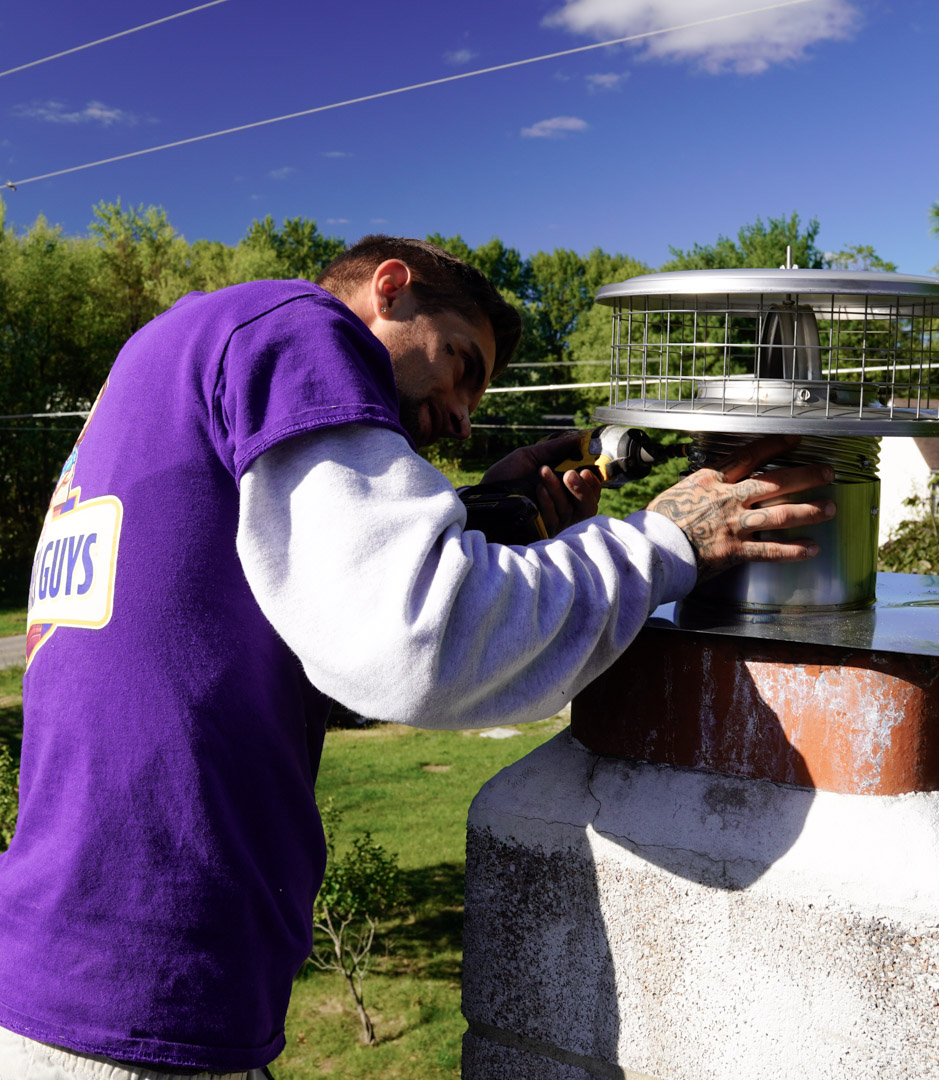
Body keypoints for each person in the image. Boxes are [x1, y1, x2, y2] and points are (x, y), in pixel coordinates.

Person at [0, 236, 834, 1079]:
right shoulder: (297, 327)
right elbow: (423, 642)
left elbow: (298, 622)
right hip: (138, 995)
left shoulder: (171, 358)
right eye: (463, 364)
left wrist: (490, 515)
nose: (465, 415)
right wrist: (665, 544)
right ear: (389, 292)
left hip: (74, 965)